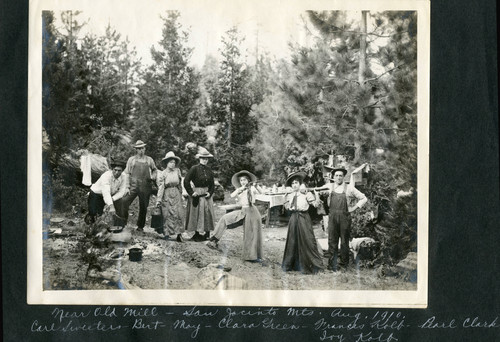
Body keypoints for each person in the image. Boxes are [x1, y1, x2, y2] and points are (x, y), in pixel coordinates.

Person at [206, 170, 263, 262]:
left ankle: (252, 256)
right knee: (225, 218)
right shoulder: (240, 190)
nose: (243, 182)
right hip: (243, 211)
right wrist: (239, 189)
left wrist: (256, 186)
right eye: (241, 180)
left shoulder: (252, 189)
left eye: (245, 180)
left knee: (251, 233)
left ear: (248, 180)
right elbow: (232, 195)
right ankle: (214, 239)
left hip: (252, 212)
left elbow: (261, 192)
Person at [321, 166, 367, 271]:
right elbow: (318, 190)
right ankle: (332, 265)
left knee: (344, 242)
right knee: (332, 241)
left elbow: (364, 198)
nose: (338, 177)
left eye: (340, 176)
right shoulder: (329, 186)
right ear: (333, 177)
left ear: (343, 177)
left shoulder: (349, 188)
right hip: (332, 217)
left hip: (345, 218)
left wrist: (354, 207)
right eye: (336, 175)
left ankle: (343, 265)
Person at [281, 171, 324, 274]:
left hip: (304, 218)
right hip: (293, 218)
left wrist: (316, 195)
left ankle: (311, 264)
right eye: (293, 183)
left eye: (296, 182)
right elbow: (287, 206)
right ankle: (293, 264)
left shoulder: (306, 194)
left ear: (300, 184)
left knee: (307, 240)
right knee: (293, 240)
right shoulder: (290, 195)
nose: (295, 185)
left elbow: (315, 204)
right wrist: (285, 199)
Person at [122, 140, 158, 232]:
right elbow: (127, 173)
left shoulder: (149, 160)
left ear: (145, 149)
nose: (141, 150)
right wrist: (127, 186)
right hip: (133, 185)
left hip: (146, 185)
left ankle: (140, 226)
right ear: (136, 150)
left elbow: (154, 170)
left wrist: (153, 177)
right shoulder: (132, 159)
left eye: (142, 148)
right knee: (125, 202)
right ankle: (122, 223)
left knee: (143, 206)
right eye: (139, 149)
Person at [183, 147, 215, 241]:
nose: (205, 160)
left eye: (206, 159)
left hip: (206, 194)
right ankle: (196, 234)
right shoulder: (194, 169)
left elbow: (212, 184)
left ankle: (207, 233)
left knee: (207, 212)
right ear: (199, 159)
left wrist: (210, 192)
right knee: (197, 213)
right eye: (203, 158)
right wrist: (191, 192)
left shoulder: (209, 170)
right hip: (197, 193)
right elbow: (186, 181)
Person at [86, 159, 128, 225]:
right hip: (96, 194)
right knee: (94, 214)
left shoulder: (124, 176)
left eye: (119, 171)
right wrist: (111, 206)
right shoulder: (106, 176)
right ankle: (88, 224)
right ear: (112, 169)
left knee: (121, 204)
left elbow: (121, 191)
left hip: (111, 195)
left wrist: (112, 200)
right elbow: (106, 192)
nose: (117, 172)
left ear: (122, 171)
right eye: (115, 170)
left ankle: (119, 225)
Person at [155, 151, 185, 242]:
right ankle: (166, 233)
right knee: (167, 214)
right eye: (171, 162)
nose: (173, 164)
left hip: (176, 193)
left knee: (179, 214)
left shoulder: (177, 171)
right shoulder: (163, 173)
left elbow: (180, 184)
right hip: (166, 194)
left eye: (174, 162)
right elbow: (161, 187)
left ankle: (179, 234)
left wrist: (181, 195)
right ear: (166, 163)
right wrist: (159, 199)